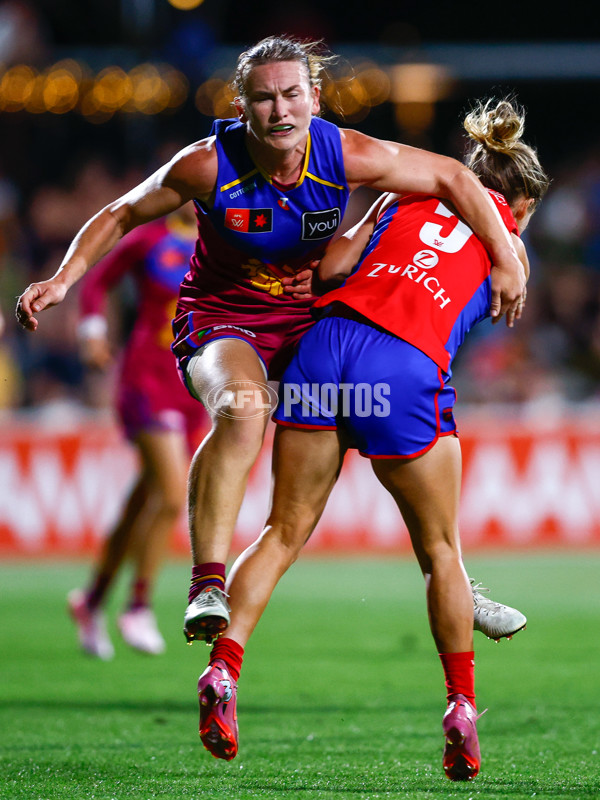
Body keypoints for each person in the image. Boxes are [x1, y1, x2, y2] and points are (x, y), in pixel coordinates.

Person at [16, 38, 526, 660]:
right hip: (222, 319)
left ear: (314, 98)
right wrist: (61, 281)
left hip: (305, 324)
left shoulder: (343, 152)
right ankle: (207, 585)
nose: (279, 110)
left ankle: (455, 585)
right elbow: (123, 214)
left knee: (392, 432)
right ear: (242, 104)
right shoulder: (207, 164)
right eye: (263, 98)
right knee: (244, 407)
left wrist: (504, 256)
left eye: (292, 94)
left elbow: (452, 174)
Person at [193, 97, 549, 778]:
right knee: (440, 549)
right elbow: (487, 292)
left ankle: (224, 670)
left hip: (323, 352)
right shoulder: (513, 245)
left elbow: (329, 270)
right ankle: (461, 706)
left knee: (282, 531)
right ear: (520, 203)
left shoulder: (400, 200)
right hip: (403, 366)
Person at [68, 203, 205, 659]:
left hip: (193, 386)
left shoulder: (226, 241)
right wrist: (92, 331)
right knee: (171, 493)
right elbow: (98, 280)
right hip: (145, 378)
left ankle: (90, 601)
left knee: (142, 500)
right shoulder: (149, 239)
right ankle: (138, 605)